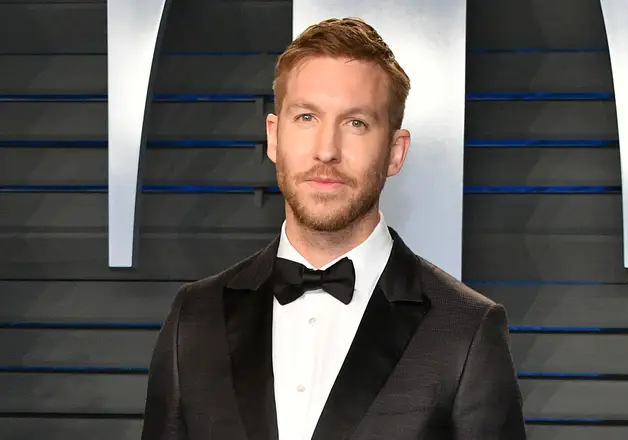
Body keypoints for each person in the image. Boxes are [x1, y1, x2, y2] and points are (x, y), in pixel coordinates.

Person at [141, 17, 527, 440]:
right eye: (307, 117)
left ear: (395, 152)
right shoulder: (195, 317)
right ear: (273, 137)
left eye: (356, 123)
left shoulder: (467, 330)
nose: (327, 150)